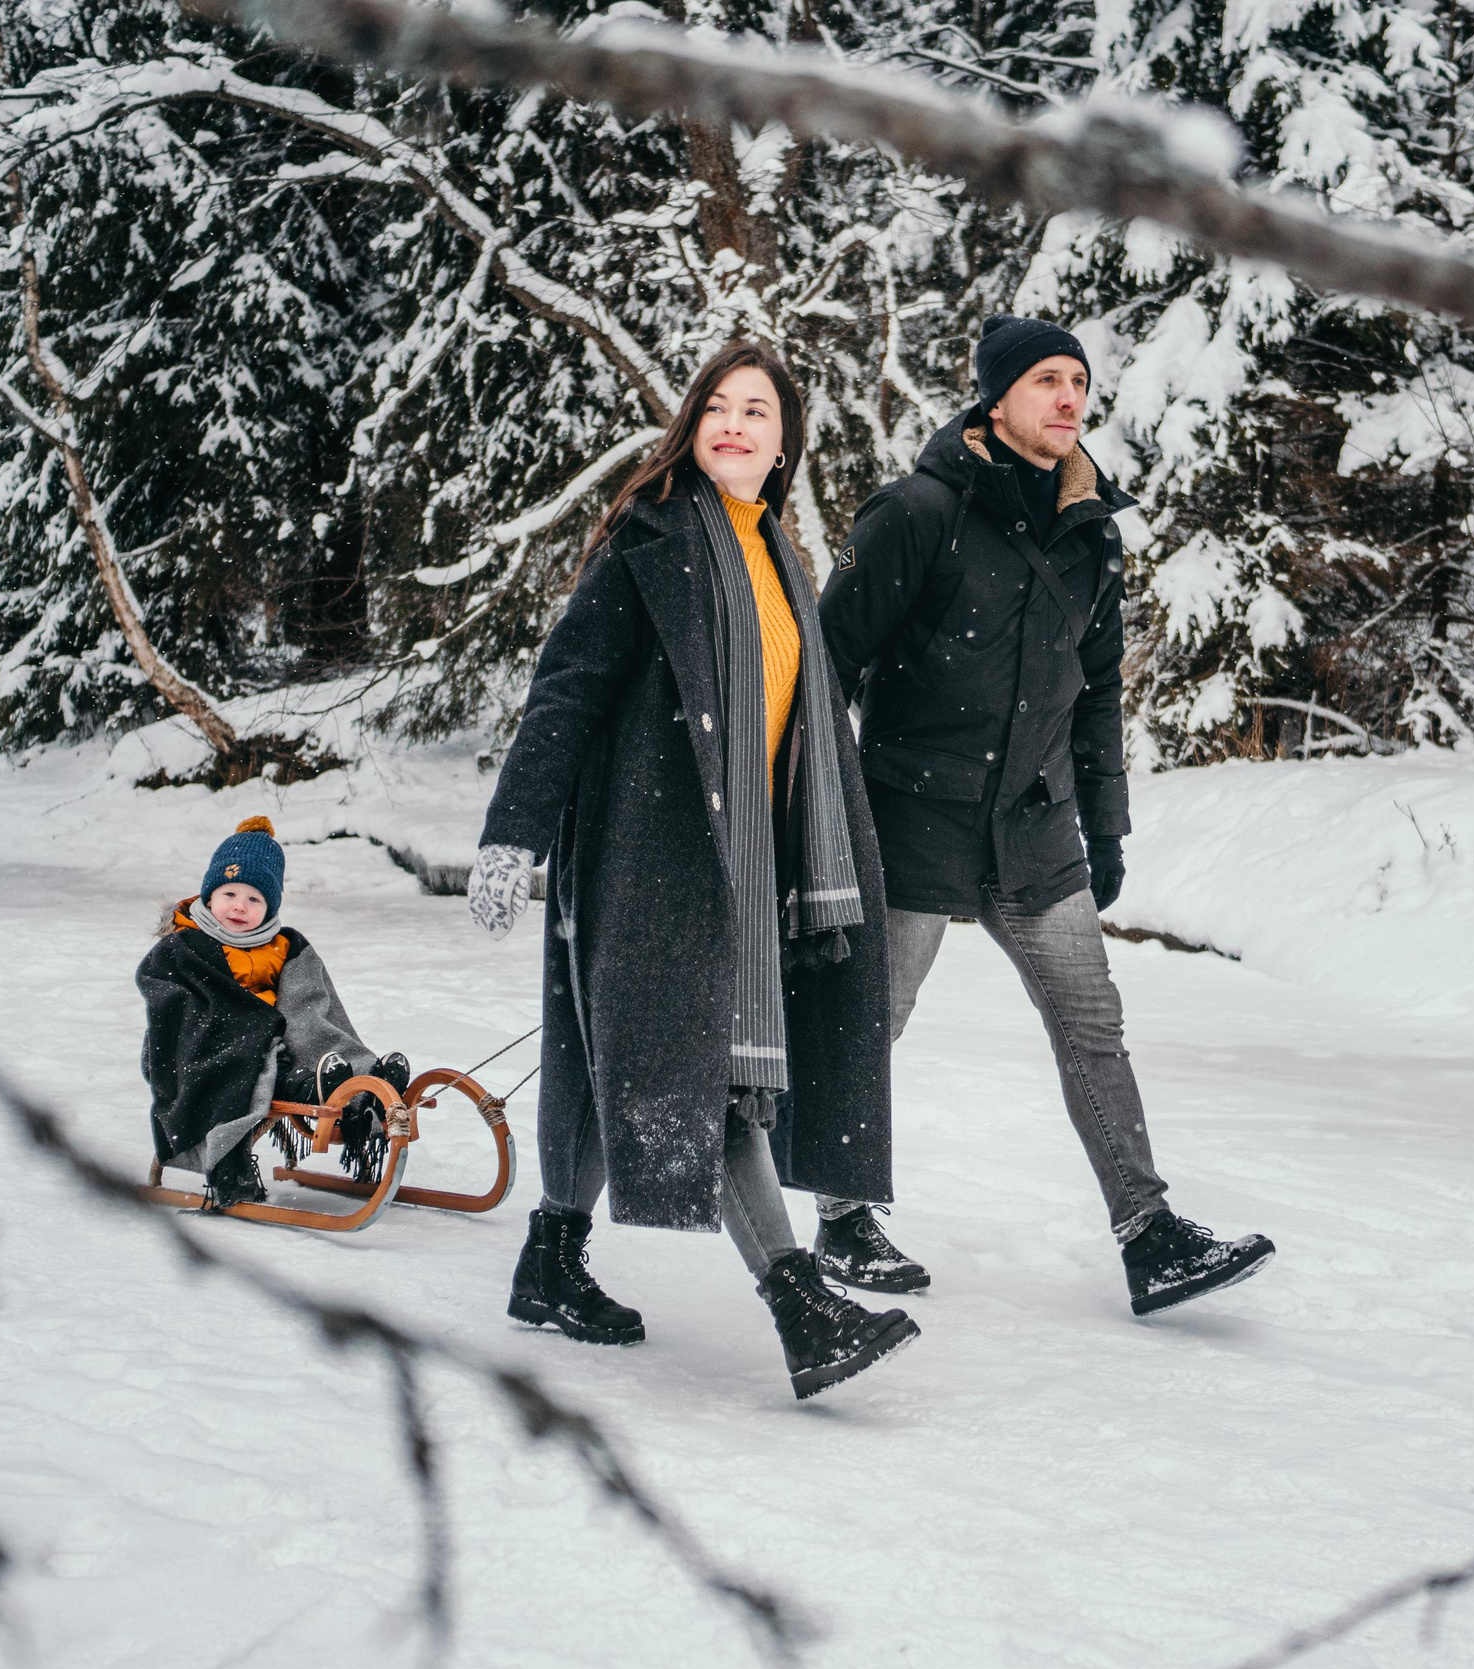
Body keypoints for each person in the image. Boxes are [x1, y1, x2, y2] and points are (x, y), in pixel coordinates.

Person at [466, 340, 918, 1401]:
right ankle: (799, 1303)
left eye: (756, 411)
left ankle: (548, 1259)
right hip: (646, 856)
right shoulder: (655, 536)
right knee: (689, 1070)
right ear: (690, 424)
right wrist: (512, 832)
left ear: (784, 442)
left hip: (737, 860)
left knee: (598, 1053)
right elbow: (567, 686)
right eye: (716, 406)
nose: (733, 425)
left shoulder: (776, 556)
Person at [813, 313, 1276, 1317]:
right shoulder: (916, 513)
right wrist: (821, 812)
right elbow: (822, 666)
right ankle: (840, 1218)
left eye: (1078, 381)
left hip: (1032, 823)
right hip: (910, 817)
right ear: (996, 399)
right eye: (1046, 382)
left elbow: (1096, 690)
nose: (1069, 399)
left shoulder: (1088, 530)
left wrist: (1103, 827)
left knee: (1091, 1025)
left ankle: (1149, 1236)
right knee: (871, 1021)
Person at [140, 815, 412, 1208]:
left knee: (300, 1035)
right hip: (214, 1046)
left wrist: (274, 1028)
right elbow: (173, 1006)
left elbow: (311, 1003)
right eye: (229, 894)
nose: (239, 907)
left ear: (269, 908)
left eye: (254, 899)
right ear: (209, 896)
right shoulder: (183, 947)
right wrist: (245, 1025)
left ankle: (359, 1079)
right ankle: (312, 1087)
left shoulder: (283, 945)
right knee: (262, 1066)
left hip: (279, 1039)